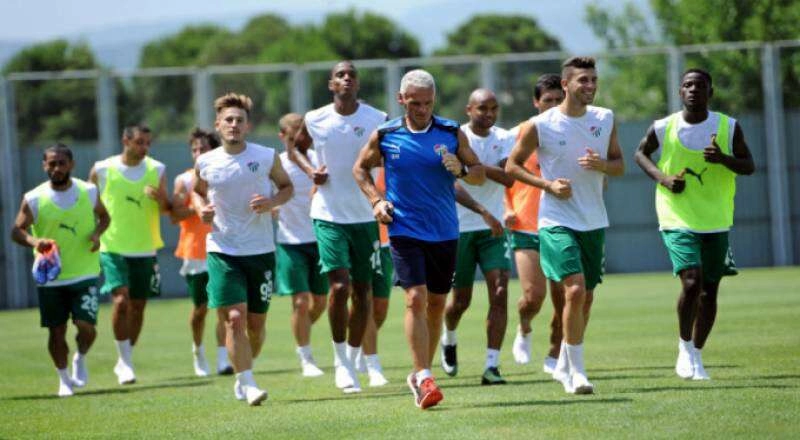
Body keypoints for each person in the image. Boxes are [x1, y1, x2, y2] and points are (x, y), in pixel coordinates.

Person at [353, 69, 486, 409]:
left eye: (428, 103)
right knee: (415, 298)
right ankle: (425, 376)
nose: (423, 109)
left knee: (437, 303)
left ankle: (420, 374)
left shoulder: (451, 132)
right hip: (403, 228)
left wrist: (462, 170)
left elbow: (479, 173)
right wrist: (376, 201)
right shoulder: (386, 134)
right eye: (415, 103)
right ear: (401, 100)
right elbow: (360, 168)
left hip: (444, 230)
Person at [506, 57, 624, 394]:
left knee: (585, 298)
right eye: (583, 80)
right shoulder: (540, 125)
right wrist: (547, 185)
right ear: (565, 84)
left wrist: (603, 165)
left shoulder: (605, 118)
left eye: (593, 80)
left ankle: (562, 363)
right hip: (556, 220)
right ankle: (578, 372)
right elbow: (512, 167)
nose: (590, 86)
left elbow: (619, 165)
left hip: (594, 221)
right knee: (573, 290)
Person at [633, 68, 754, 380]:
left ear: (710, 92)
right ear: (680, 92)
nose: (693, 90)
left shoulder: (728, 126)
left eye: (699, 86)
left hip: (716, 218)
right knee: (691, 280)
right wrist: (663, 178)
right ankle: (685, 348)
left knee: (709, 291)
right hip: (677, 216)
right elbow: (640, 154)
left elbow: (749, 166)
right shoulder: (664, 127)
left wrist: (723, 159)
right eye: (687, 85)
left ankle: (696, 354)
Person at [287, 61, 387, 393]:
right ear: (331, 84)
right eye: (340, 75)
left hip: (365, 216)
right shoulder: (315, 118)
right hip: (328, 214)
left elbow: (390, 155)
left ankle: (355, 357)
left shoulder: (377, 118)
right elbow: (296, 147)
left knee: (363, 292)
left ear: (358, 83)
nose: (346, 79)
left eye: (351, 75)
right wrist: (310, 171)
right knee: (340, 287)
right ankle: (341, 361)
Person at [193, 93, 293, 405]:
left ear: (247, 126)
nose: (234, 124)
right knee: (235, 318)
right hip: (223, 249)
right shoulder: (206, 161)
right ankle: (248, 383)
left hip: (260, 251)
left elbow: (287, 187)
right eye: (228, 120)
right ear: (218, 125)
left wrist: (271, 203)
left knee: (256, 327)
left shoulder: (265, 156)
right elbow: (197, 192)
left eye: (239, 120)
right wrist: (201, 209)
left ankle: (243, 369)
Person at [11, 144, 110, 397]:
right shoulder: (34, 198)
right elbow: (17, 231)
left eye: (61, 163)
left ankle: (80, 357)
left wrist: (97, 234)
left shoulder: (88, 191)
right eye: (51, 163)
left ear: (71, 165)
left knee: (86, 326)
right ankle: (64, 379)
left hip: (85, 272)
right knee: (56, 331)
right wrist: (35, 241)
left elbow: (105, 217)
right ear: (44, 165)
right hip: (51, 277)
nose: (56, 168)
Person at [440, 88, 516, 385]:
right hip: (459, 229)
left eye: (494, 108)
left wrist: (472, 168)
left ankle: (492, 366)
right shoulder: (454, 138)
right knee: (461, 301)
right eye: (483, 108)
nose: (489, 114)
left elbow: (508, 178)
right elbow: (452, 184)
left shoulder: (505, 138)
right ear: (469, 110)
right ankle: (449, 337)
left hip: (493, 229)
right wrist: (480, 199)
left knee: (500, 291)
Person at [89, 124, 172, 385]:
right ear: (125, 141)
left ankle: (126, 357)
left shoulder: (157, 169)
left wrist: (160, 198)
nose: (145, 148)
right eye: (139, 142)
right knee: (120, 301)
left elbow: (167, 209)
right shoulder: (102, 169)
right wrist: (93, 233)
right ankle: (124, 362)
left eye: (148, 143)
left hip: (145, 249)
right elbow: (88, 204)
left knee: (138, 307)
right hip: (112, 247)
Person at [505, 74, 566, 373]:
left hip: (563, 222)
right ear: (536, 102)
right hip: (526, 224)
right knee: (533, 297)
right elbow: (503, 175)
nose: (553, 105)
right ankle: (525, 326)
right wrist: (506, 208)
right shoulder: (516, 134)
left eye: (558, 100)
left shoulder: (574, 130)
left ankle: (555, 352)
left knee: (565, 297)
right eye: (547, 100)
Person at [170, 128, 232, 377]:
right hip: (195, 252)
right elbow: (174, 215)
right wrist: (198, 207)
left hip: (224, 247)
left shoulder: (225, 175)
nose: (197, 153)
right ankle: (198, 351)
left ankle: (223, 360)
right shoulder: (184, 180)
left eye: (202, 149)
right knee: (200, 309)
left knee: (225, 307)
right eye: (194, 149)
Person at [274, 113, 327, 378]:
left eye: (303, 131)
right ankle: (306, 357)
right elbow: (269, 195)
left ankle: (301, 329)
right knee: (300, 301)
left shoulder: (318, 159)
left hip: (319, 239)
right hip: (290, 242)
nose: (299, 137)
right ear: (282, 136)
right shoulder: (277, 164)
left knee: (321, 302)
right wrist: (271, 206)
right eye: (293, 132)